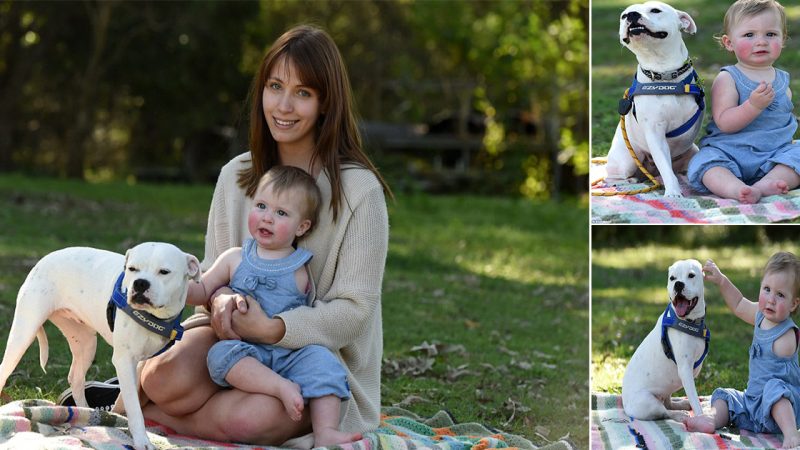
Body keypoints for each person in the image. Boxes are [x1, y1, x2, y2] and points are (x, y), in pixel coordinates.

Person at [58, 24, 392, 446]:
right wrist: (220, 301)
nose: (284, 105)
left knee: (255, 419)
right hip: (231, 344)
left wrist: (274, 328)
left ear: (326, 103)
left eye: (303, 93)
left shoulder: (359, 191)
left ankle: (144, 411)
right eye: (275, 87)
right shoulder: (236, 176)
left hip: (314, 360)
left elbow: (355, 310)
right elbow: (213, 277)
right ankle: (147, 392)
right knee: (165, 377)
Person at [181, 165, 355, 447]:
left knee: (323, 362)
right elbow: (202, 290)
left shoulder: (302, 267)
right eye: (261, 206)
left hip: (290, 353)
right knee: (220, 354)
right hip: (247, 351)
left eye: (281, 213)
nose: (267, 218)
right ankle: (279, 387)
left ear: (302, 227)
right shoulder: (235, 258)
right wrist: (176, 288)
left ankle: (326, 431)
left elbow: (316, 311)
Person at [686, 0, 800, 204]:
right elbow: (725, 123)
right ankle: (735, 188)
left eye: (771, 34)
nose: (761, 41)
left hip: (773, 156)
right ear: (729, 43)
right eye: (749, 35)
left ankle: (766, 184)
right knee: (705, 163)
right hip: (729, 153)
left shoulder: (783, 81)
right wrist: (753, 106)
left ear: (783, 39)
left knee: (797, 153)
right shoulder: (728, 78)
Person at [686, 252, 800, 448]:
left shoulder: (787, 335)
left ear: (793, 304)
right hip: (752, 404)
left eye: (780, 295)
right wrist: (722, 281)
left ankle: (791, 434)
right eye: (767, 289)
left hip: (780, 409)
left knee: (775, 389)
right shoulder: (760, 316)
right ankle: (712, 419)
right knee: (725, 396)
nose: (771, 299)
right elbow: (739, 304)